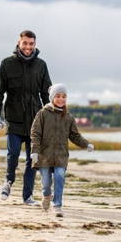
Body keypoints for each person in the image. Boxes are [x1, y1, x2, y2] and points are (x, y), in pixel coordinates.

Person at [0, 30, 52, 205]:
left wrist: (50, 115)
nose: (28, 47)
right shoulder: (7, 64)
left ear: (35, 45)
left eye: (31, 44)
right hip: (14, 117)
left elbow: (47, 93)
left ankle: (27, 196)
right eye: (25, 43)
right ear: (19, 43)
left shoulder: (41, 65)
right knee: (13, 153)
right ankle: (8, 181)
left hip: (35, 119)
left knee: (33, 159)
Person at [30, 83, 94, 217]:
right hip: (44, 155)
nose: (61, 99)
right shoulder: (42, 114)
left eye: (64, 96)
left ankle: (57, 205)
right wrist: (35, 151)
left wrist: (86, 144)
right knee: (46, 183)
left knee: (59, 177)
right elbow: (35, 133)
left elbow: (75, 136)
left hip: (61, 156)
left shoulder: (68, 117)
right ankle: (47, 196)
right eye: (58, 96)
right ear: (52, 98)